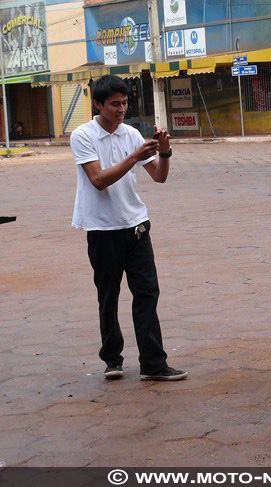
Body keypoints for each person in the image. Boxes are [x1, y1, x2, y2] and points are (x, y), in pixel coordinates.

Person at [70, 75, 187, 381]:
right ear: (98, 104)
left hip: (136, 226)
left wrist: (164, 152)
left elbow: (159, 177)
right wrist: (134, 156)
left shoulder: (131, 134)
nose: (121, 109)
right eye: (114, 104)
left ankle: (153, 363)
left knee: (147, 293)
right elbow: (98, 180)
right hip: (102, 229)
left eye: (124, 103)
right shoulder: (83, 135)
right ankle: (112, 359)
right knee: (108, 296)